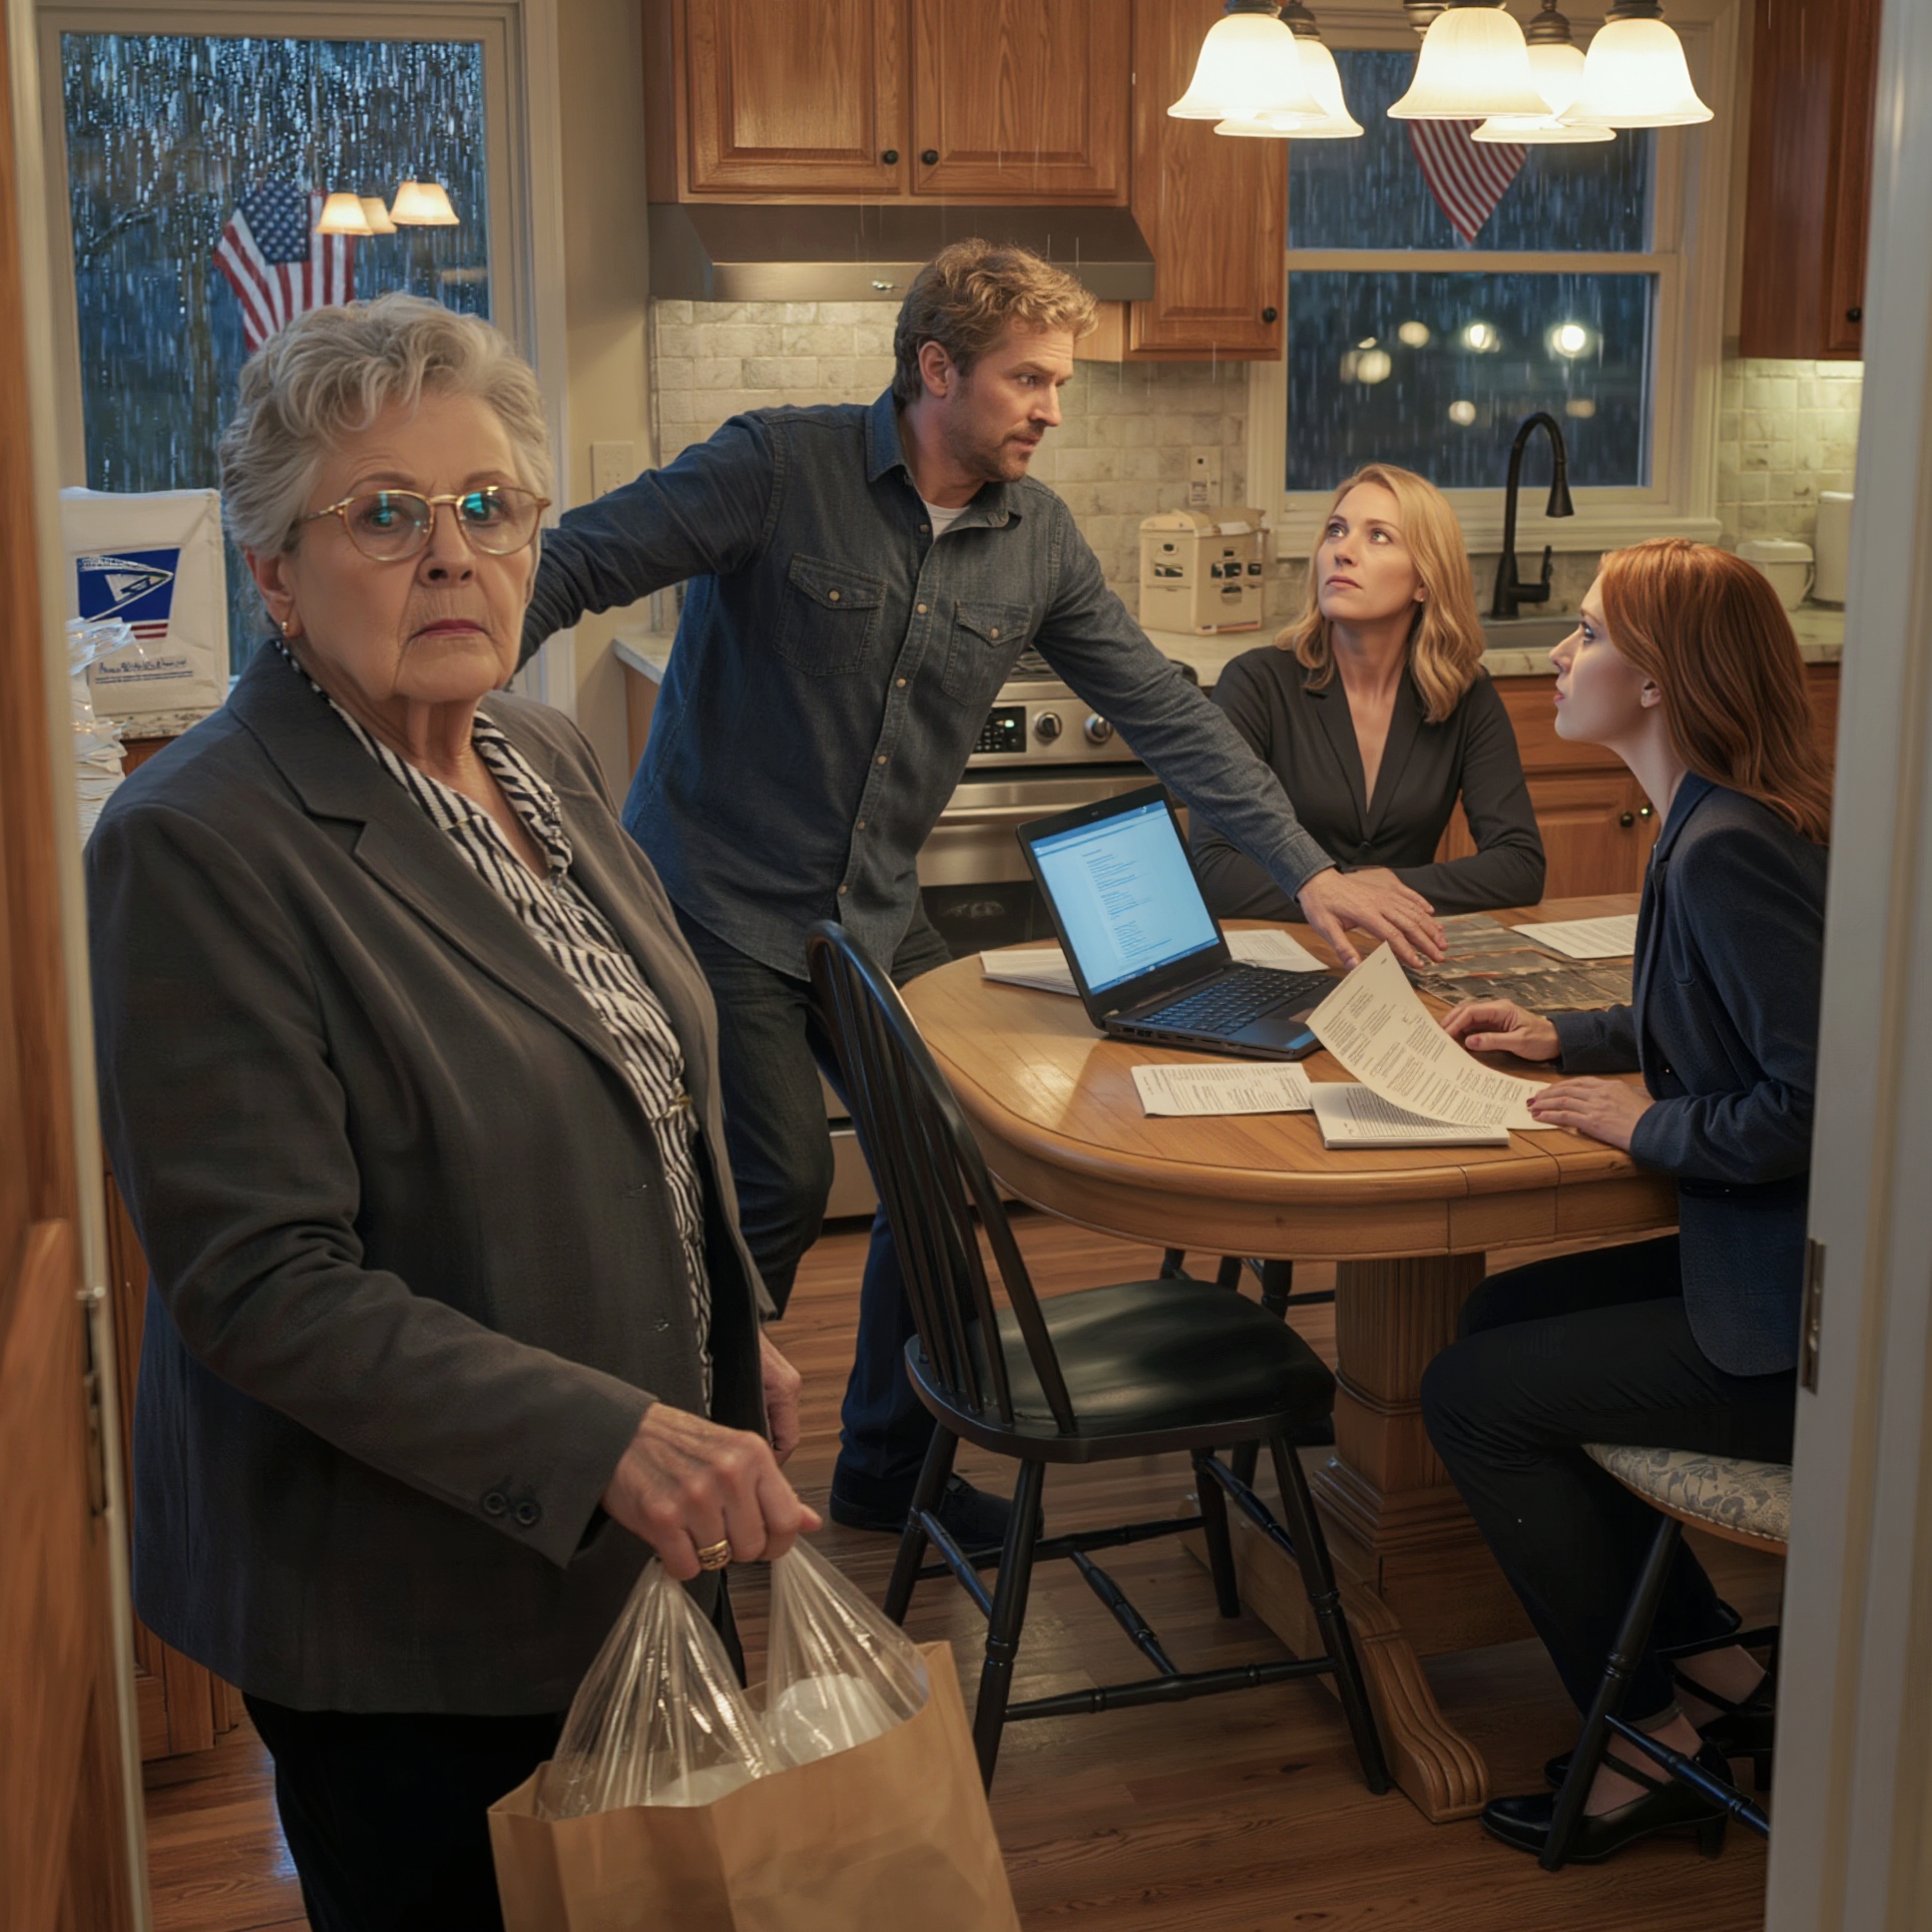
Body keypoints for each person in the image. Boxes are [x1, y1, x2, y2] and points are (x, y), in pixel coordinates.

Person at [519, 240, 1446, 1546]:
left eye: (1062, 381)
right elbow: (569, 565)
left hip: (878, 912)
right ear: (937, 368)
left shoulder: (1038, 541)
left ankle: (884, 1480)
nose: (1056, 408)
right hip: (716, 899)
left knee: (946, 1162)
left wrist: (1310, 866)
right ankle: (660, 1495)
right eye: (1030, 379)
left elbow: (1167, 718)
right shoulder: (775, 469)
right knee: (776, 1181)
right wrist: (454, 729)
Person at [88, 294, 817, 1932]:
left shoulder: (541, 752)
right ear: (273, 573)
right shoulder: (196, 841)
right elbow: (266, 1286)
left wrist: (722, 1329)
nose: (451, 556)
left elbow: (635, 1072)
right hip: (415, 1622)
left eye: (490, 508)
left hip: (636, 1564)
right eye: (384, 514)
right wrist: (607, 1433)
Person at [1419, 538, 1832, 1862]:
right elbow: (1715, 1017)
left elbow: (1817, 1104)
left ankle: (1646, 1732)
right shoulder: (1706, 817)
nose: (1561, 651)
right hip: (1757, 1264)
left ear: (1656, 682)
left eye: (1588, 635)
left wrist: (1646, 1121)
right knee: (1491, 1322)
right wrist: (1573, 1040)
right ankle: (1712, 1661)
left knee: (1471, 1397)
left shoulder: (1725, 849)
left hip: (1795, 1334)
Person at [1191, 463, 1544, 917]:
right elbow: (1214, 869)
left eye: (1379, 536)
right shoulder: (1256, 684)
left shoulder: (1464, 693)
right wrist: (1341, 896)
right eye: (1336, 531)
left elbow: (1520, 866)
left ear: (1424, 580)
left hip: (1404, 954)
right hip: (1285, 957)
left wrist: (1380, 887)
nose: (1343, 551)